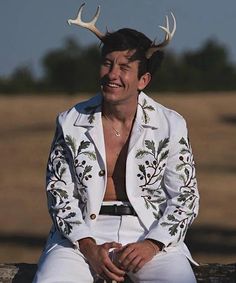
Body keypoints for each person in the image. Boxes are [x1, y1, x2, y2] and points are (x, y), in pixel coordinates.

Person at [33, 4, 199, 283]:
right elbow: (59, 194)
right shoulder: (70, 121)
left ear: (143, 79)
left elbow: (185, 197)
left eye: (124, 67)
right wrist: (89, 248)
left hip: (149, 232)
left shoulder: (171, 124)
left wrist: (153, 244)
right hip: (80, 238)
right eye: (107, 63)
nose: (112, 74)